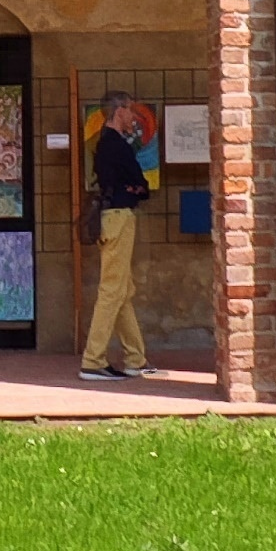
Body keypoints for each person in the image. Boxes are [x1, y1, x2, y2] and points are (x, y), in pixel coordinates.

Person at [79, 96, 157, 379]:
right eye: (131, 111)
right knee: (112, 291)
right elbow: (140, 184)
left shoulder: (105, 142)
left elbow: (137, 185)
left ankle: (135, 358)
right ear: (119, 111)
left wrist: (136, 187)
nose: (135, 118)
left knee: (123, 291)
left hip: (111, 218)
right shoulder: (116, 145)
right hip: (119, 218)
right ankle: (93, 361)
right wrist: (135, 187)